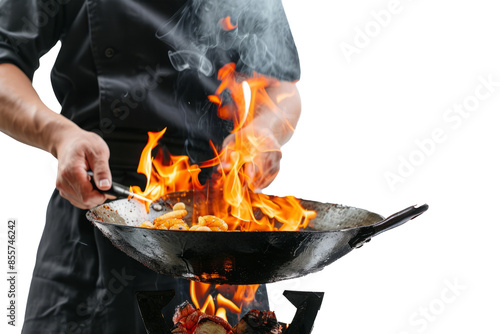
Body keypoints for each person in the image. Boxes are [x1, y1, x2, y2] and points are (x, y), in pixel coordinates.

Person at [0, 0, 301, 332]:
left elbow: (280, 89)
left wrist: (261, 132)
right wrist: (60, 135)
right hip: (92, 210)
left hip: (217, 230)